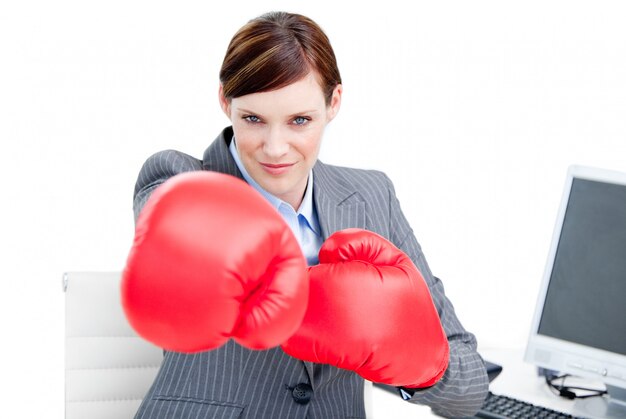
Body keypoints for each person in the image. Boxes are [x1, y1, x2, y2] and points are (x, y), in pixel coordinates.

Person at [124, 11, 489, 418]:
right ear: (225, 100)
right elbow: (179, 243)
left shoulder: (372, 197)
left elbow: (470, 390)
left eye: (300, 120)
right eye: (253, 119)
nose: (276, 147)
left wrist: (423, 366)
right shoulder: (178, 177)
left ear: (333, 103)